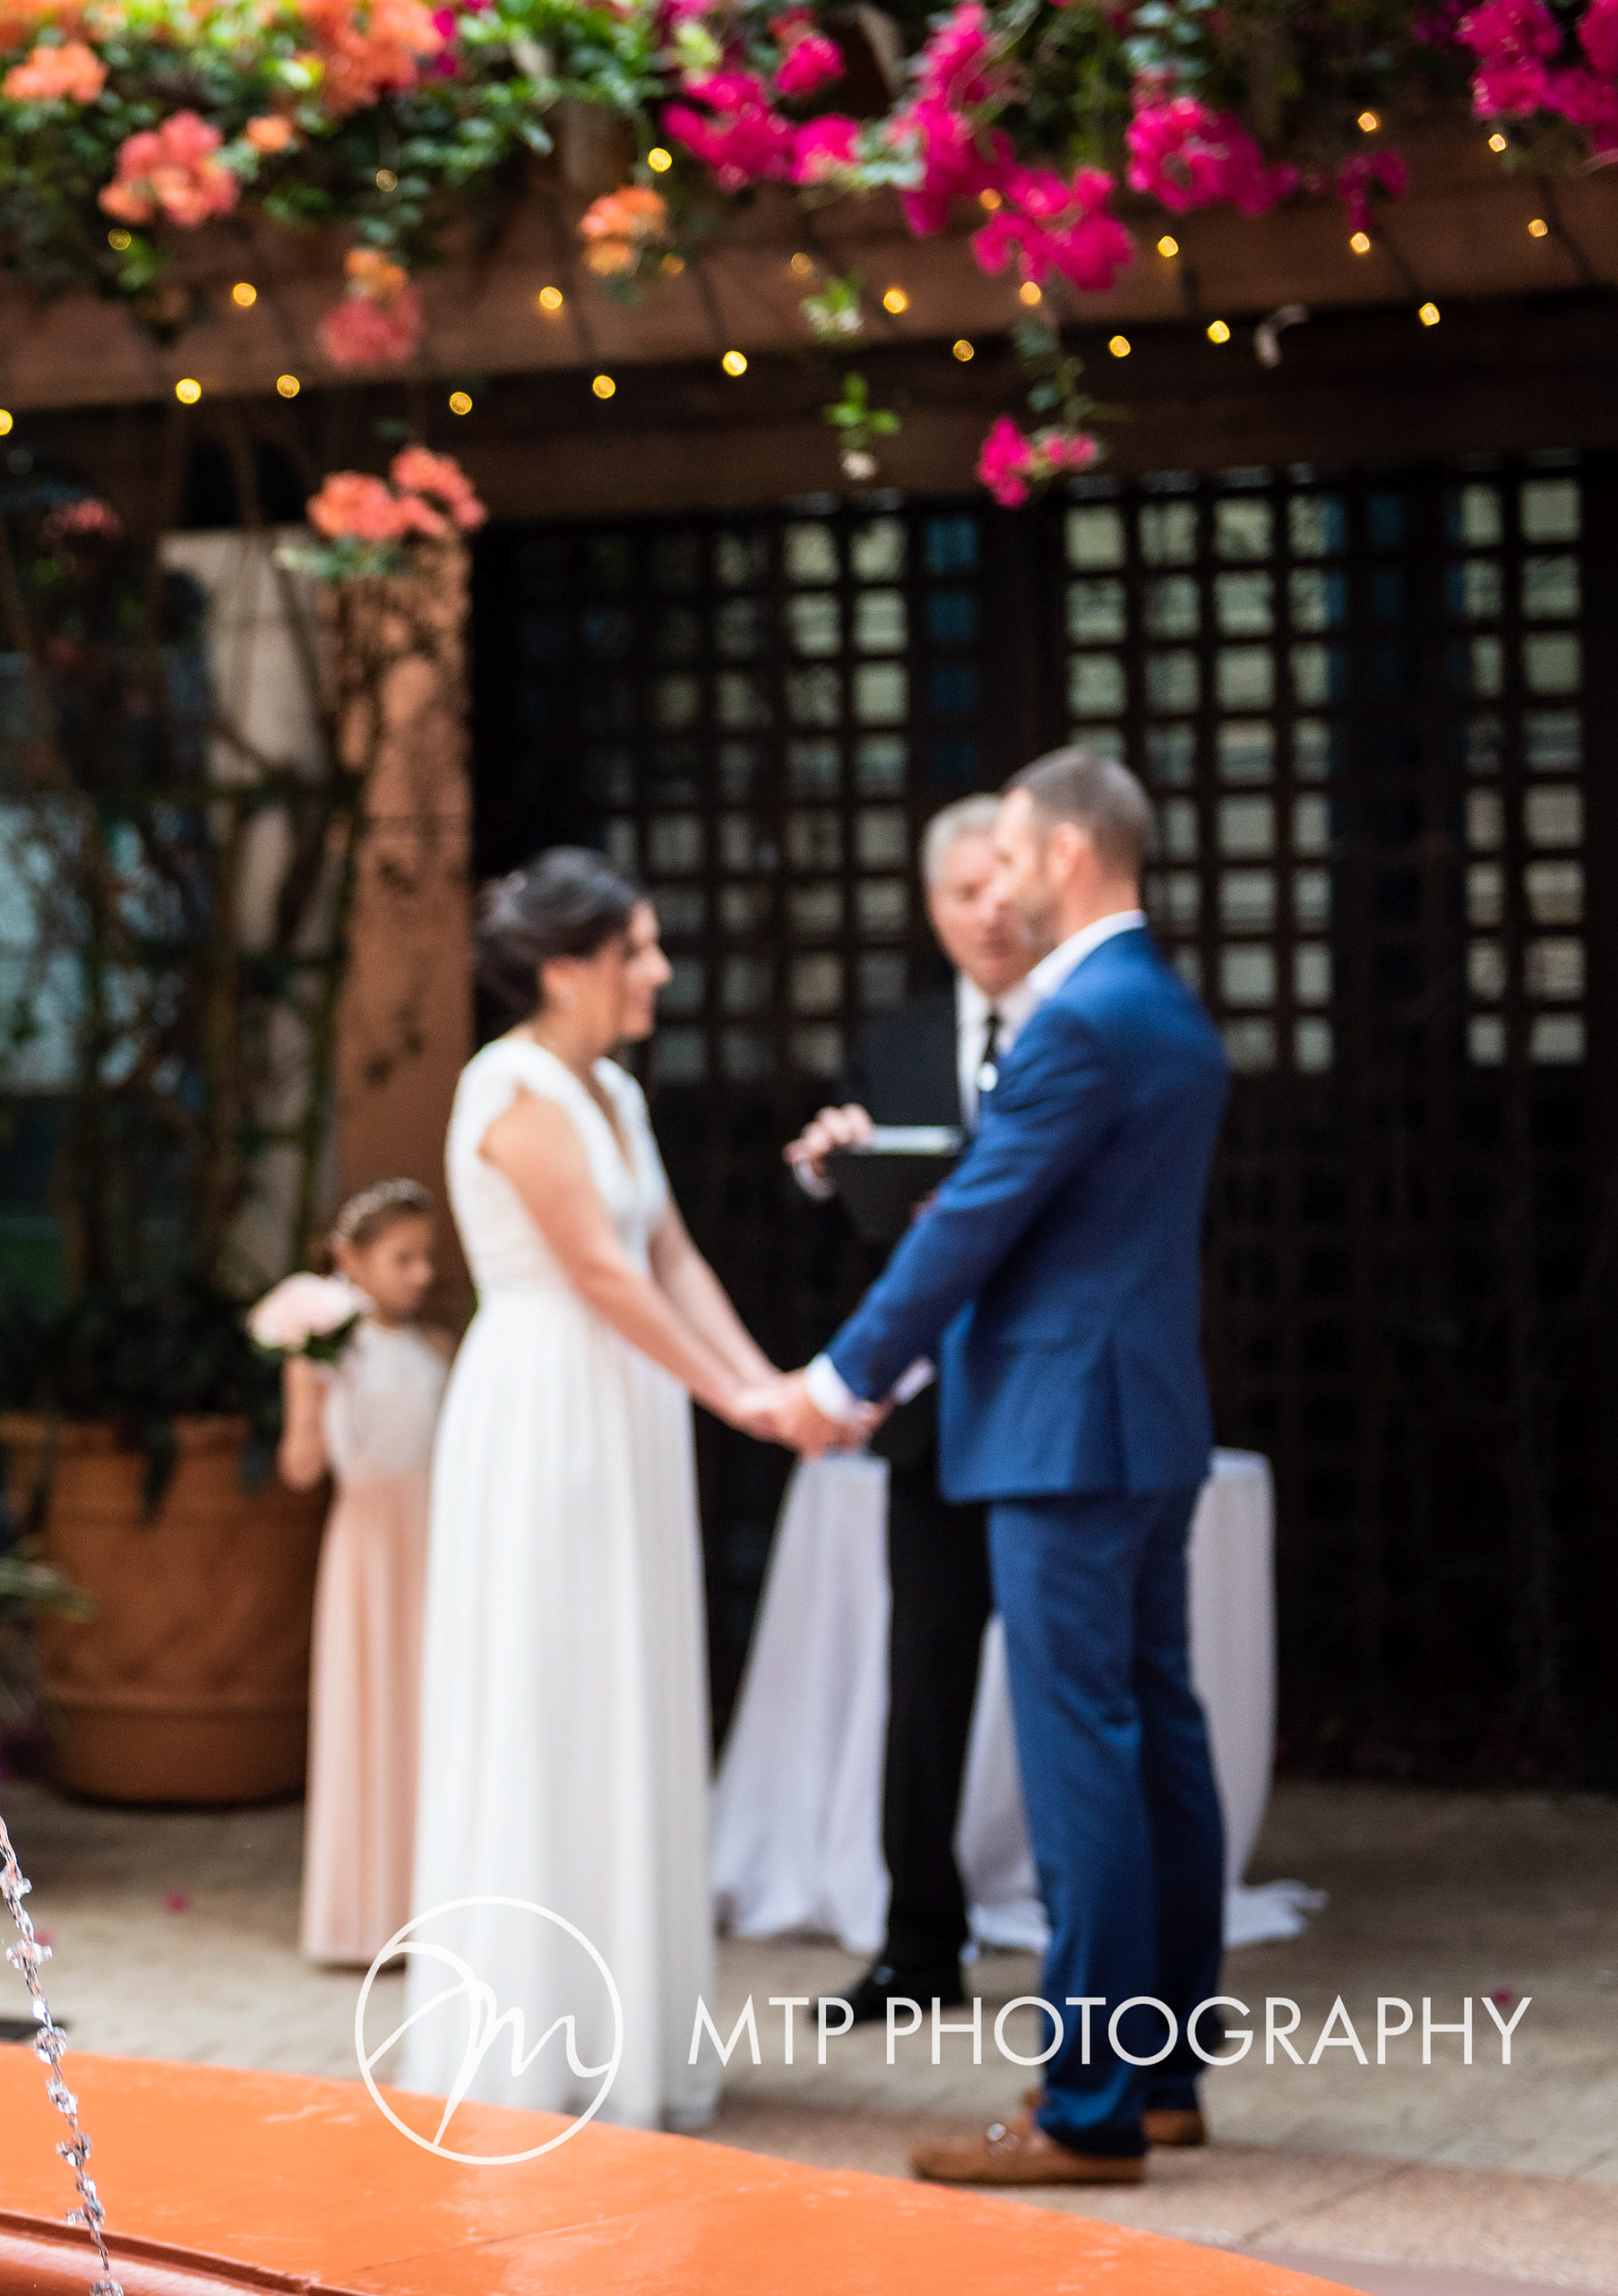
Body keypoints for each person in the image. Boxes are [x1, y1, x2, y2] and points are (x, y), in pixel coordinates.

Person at [746, 749, 1233, 2186]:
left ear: (1069, 852)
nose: (998, 888)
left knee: (1084, 1751)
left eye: (1011, 857)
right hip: (1142, 1416)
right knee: (1159, 1732)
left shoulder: (1076, 1020)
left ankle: (1089, 2107)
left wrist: (840, 1377)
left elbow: (970, 1221)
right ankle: (1161, 2074)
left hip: (1059, 1428)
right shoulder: (1168, 1004)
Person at [399, 849, 803, 2134]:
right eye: (639, 949)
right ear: (567, 970)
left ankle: (626, 2027)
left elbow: (670, 1258)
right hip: (543, 1413)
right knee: (546, 1684)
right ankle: (531, 2037)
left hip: (627, 1408)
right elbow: (599, 1273)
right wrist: (734, 1398)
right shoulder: (508, 1088)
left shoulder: (614, 1089)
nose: (660, 972)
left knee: (626, 1681)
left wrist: (770, 1383)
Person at [779, 795, 1042, 2025]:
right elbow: (844, 1230)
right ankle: (919, 1943)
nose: (987, 913)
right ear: (932, 909)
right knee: (924, 1675)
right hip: (933, 1415)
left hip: (1046, 1402)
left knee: (1072, 1681)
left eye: (1002, 886)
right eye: (961, 893)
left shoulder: (1077, 1024)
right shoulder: (894, 1047)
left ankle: (1109, 1949)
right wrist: (826, 1169)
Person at [273, 1181, 453, 1966]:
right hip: (367, 1546)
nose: (420, 1274)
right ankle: (362, 1918)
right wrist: (309, 1379)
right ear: (350, 1260)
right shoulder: (327, 1353)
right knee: (367, 1714)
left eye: (426, 1258)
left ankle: (437, 1908)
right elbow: (301, 1469)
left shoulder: (438, 1347)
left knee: (430, 1718)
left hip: (436, 1542)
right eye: (402, 1258)